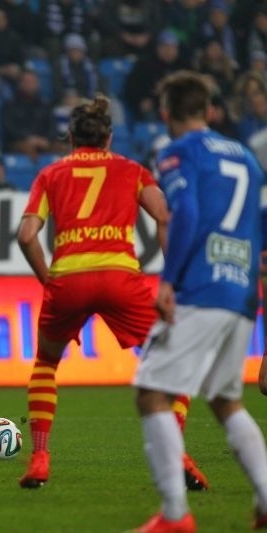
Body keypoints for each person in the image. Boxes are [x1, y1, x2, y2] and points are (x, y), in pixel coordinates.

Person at [133, 70, 267, 532]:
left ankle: (174, 515)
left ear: (167, 113)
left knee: (151, 392)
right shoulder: (247, 156)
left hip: (204, 286)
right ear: (210, 111)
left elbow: (184, 212)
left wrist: (169, 280)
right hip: (243, 288)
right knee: (226, 398)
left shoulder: (176, 152)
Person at [16, 95, 171, 488]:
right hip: (120, 276)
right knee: (169, 357)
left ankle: (39, 458)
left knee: (46, 363)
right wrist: (173, 279)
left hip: (68, 278)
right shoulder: (133, 170)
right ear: (110, 137)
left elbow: (26, 236)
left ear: (69, 137)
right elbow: (165, 217)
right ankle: (177, 453)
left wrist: (48, 279)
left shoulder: (50, 175)